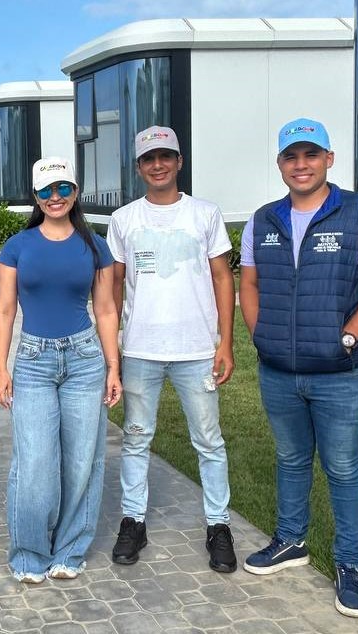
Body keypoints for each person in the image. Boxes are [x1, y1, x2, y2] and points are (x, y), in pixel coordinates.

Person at [240, 118, 358, 617]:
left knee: (342, 467)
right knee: (290, 461)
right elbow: (249, 283)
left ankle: (351, 565)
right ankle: (291, 542)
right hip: (279, 372)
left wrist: (350, 335)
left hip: (342, 375)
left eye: (311, 155)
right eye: (291, 156)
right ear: (280, 165)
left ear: (329, 159)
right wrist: (259, 334)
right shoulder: (263, 219)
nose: (301, 165)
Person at [105, 126, 238, 574]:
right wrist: (113, 355)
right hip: (140, 348)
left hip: (197, 348)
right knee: (137, 438)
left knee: (209, 441)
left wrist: (226, 343)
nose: (157, 165)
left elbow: (223, 277)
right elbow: (113, 284)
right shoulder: (124, 219)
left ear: (179, 162)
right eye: (148, 158)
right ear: (139, 167)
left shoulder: (205, 214)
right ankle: (133, 520)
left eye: (166, 156)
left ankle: (218, 525)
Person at [0, 157, 121, 583]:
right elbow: (5, 309)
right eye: (46, 190)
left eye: (63, 188)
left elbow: (105, 310)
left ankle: (70, 549)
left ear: (76, 192)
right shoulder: (18, 245)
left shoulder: (94, 245)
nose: (55, 197)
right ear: (35, 196)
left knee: (82, 459)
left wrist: (112, 367)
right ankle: (29, 553)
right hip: (33, 362)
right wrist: (1, 368)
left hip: (85, 360)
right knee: (35, 463)